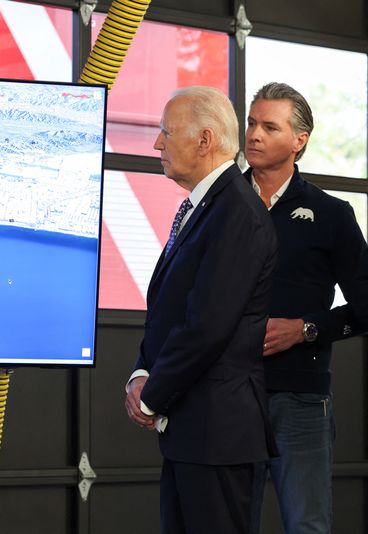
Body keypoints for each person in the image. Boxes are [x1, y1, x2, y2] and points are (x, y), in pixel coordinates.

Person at [124, 86, 277, 534]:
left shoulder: (238, 213)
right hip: (192, 434)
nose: (157, 144)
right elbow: (171, 310)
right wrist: (140, 373)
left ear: (205, 141)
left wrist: (152, 394)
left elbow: (208, 325)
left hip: (219, 437)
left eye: (166, 133)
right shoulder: (207, 207)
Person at [245, 82, 368, 534]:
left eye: (269, 126)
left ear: (300, 141)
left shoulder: (332, 214)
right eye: (251, 123)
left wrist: (306, 329)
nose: (254, 134)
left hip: (299, 400)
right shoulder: (216, 207)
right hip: (225, 396)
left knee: (308, 526)